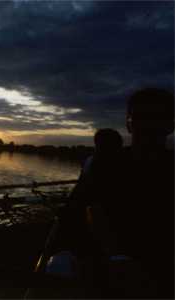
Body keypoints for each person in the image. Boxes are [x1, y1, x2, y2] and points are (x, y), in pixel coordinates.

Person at [60, 88, 174, 298]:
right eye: (141, 117)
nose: (148, 125)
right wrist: (116, 258)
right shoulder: (104, 165)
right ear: (129, 124)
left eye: (157, 117)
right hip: (103, 272)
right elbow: (83, 211)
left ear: (170, 124)